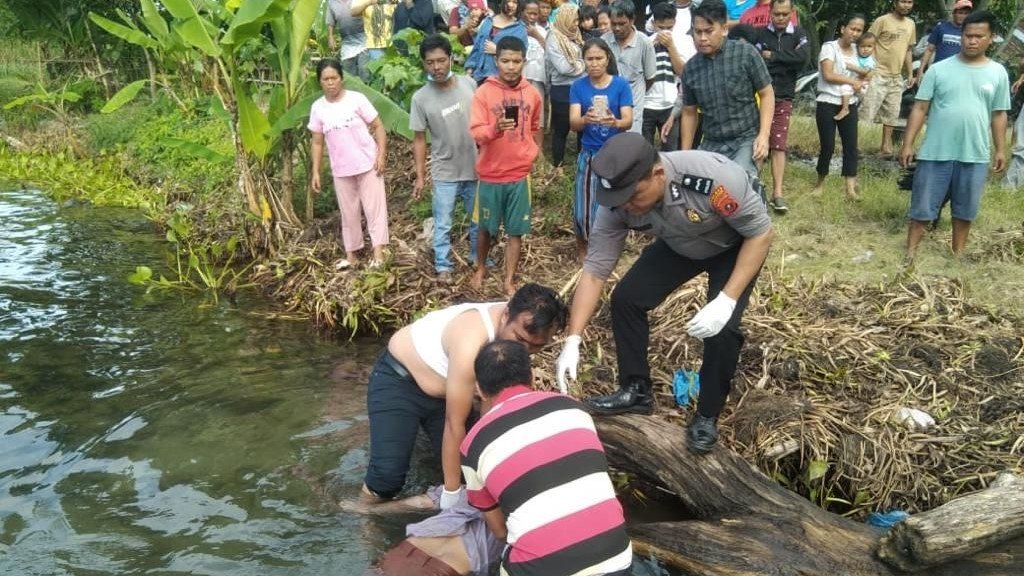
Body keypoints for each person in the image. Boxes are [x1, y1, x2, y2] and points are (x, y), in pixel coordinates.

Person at [555, 132, 773, 453]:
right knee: (627, 299)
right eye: (619, 199)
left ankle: (707, 416)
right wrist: (573, 338)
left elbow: (761, 233)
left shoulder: (713, 179)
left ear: (657, 175)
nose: (626, 207)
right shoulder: (617, 204)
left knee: (723, 330)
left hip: (734, 246)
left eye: (633, 196)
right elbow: (595, 270)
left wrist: (726, 300)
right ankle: (636, 390)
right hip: (679, 244)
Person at [362, 283, 568, 509]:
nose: (525, 350)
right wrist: (451, 494)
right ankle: (363, 513)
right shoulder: (471, 339)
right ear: (506, 315)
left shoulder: (516, 329)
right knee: (387, 478)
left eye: (535, 346)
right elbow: (454, 422)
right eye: (520, 340)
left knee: (467, 473)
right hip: (400, 382)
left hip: (445, 395)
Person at [461, 340, 633, 575]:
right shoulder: (573, 408)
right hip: (617, 558)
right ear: (531, 376)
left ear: (479, 389)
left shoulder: (473, 444)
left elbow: (500, 531)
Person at [899, 11, 1009, 262]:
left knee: (965, 210)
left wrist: (1001, 149)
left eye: (979, 36)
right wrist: (908, 143)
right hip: (936, 151)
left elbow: (999, 114)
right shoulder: (938, 70)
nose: (972, 41)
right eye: (968, 35)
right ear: (961, 36)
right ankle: (910, 254)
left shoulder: (998, 73)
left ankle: (956, 255)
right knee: (923, 208)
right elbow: (920, 108)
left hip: (975, 154)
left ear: (990, 38)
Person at [470, 36, 544, 296]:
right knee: (485, 227)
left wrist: (533, 152)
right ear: (496, 60)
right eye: (505, 61)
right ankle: (480, 268)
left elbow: (535, 127)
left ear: (524, 61)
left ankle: (508, 280)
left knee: (516, 231)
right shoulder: (483, 93)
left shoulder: (532, 94)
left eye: (516, 61)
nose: (510, 66)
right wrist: (495, 129)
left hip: (519, 174)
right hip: (491, 173)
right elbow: (477, 133)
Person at [411, 34, 480, 284]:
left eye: (441, 60)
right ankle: (443, 265)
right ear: (424, 64)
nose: (437, 67)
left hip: (474, 167)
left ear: (451, 59)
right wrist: (420, 176)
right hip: (444, 170)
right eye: (431, 62)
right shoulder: (420, 98)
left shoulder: (469, 85)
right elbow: (418, 139)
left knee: (478, 219)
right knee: (443, 223)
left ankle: (477, 258)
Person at [308, 59, 389, 269]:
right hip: (341, 168)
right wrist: (316, 171)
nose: (331, 83)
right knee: (348, 213)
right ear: (320, 82)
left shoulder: (357, 99)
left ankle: (378, 254)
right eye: (325, 79)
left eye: (334, 78)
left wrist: (381, 155)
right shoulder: (318, 108)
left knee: (374, 209)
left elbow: (378, 126)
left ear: (341, 78)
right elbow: (317, 142)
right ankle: (351, 255)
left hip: (367, 163)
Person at [680, 0, 774, 179]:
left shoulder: (746, 54)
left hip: (745, 139)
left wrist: (763, 135)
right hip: (711, 142)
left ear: (724, 29)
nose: (702, 38)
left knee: (737, 184)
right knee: (699, 191)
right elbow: (689, 113)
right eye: (697, 32)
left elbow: (767, 93)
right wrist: (685, 154)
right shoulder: (690, 68)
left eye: (708, 31)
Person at [570, 38, 633, 258]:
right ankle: (583, 247)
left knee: (612, 204)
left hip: (614, 154)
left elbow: (628, 120)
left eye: (599, 58)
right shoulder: (578, 86)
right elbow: (573, 122)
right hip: (589, 153)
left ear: (607, 59)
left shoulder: (621, 85)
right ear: (584, 60)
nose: (594, 63)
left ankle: (606, 248)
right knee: (582, 206)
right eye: (590, 58)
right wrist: (586, 119)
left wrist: (614, 122)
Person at [754, 0, 808, 213]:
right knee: (758, 142)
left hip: (783, 96)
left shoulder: (799, 33)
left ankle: (778, 193)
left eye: (785, 14)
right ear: (770, 12)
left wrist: (774, 56)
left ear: (792, 13)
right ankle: (755, 189)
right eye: (777, 14)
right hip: (758, 96)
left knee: (778, 145)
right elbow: (758, 60)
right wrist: (788, 59)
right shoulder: (760, 34)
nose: (781, 18)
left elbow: (803, 58)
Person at [810, 14, 868, 200]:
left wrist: (862, 80)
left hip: (849, 102)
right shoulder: (829, 47)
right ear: (843, 28)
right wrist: (852, 80)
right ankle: (820, 182)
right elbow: (828, 74)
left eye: (859, 30)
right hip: (828, 101)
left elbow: (867, 71)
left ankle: (850, 188)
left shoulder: (858, 50)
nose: (855, 33)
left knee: (851, 145)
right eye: (852, 28)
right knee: (827, 145)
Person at [860, 0, 917, 156]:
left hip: (896, 76)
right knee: (867, 111)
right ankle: (855, 145)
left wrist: (911, 73)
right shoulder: (882, 20)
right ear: (895, 2)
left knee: (892, 114)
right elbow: (867, 43)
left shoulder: (911, 24)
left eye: (909, 2)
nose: (906, 5)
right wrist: (868, 68)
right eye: (903, 1)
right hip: (877, 73)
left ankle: (885, 146)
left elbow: (908, 50)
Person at [602, 1, 656, 134]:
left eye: (622, 24)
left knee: (629, 145)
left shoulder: (644, 43)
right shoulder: (604, 41)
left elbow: (650, 77)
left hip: (633, 107)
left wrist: (636, 91)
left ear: (632, 20)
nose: (617, 28)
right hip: (609, 103)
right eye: (614, 24)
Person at [545, 4, 586, 169]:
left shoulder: (575, 36)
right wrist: (584, 65)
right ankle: (558, 166)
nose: (576, 23)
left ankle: (583, 163)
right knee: (561, 130)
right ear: (564, 19)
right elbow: (563, 67)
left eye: (577, 19)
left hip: (581, 88)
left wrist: (577, 64)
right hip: (562, 90)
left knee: (583, 128)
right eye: (573, 19)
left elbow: (572, 64)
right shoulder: (553, 37)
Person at [642, 2, 685, 150]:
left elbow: (682, 72)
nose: (666, 32)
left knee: (670, 151)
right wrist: (651, 46)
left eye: (669, 27)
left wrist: (671, 47)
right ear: (654, 23)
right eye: (661, 27)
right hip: (646, 104)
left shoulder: (682, 41)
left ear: (675, 23)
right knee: (644, 151)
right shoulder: (645, 42)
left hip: (669, 105)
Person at [466, 0, 528, 85]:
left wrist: (498, 50)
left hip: (503, 79)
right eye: (508, 1)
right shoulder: (488, 21)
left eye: (515, 2)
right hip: (480, 76)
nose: (512, 5)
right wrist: (470, 69)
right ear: (500, 2)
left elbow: (521, 56)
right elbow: (477, 47)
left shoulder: (519, 28)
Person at [917, 0, 974, 84]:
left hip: (959, 74)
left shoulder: (971, 32)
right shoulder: (941, 28)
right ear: (954, 13)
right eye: (960, 13)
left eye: (966, 13)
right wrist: (921, 70)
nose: (963, 16)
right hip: (938, 72)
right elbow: (929, 49)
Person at [835, 31, 876, 121]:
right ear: (857, 47)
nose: (866, 49)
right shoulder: (856, 55)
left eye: (869, 46)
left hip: (864, 84)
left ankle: (849, 107)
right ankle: (846, 108)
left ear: (874, 48)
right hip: (854, 81)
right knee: (845, 87)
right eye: (862, 46)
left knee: (855, 93)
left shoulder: (870, 60)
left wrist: (851, 67)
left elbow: (865, 72)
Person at [326, 0, 368, 81]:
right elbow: (331, 22)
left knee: (364, 71)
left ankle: (367, 93)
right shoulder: (332, 2)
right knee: (349, 76)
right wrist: (331, 36)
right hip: (346, 44)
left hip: (364, 41)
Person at [522, 0, 548, 127]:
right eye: (529, 13)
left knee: (538, 113)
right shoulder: (517, 29)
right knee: (521, 111)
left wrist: (536, 35)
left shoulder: (542, 31)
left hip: (538, 77)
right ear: (522, 13)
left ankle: (538, 145)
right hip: (521, 77)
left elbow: (550, 51)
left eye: (535, 14)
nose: (532, 17)